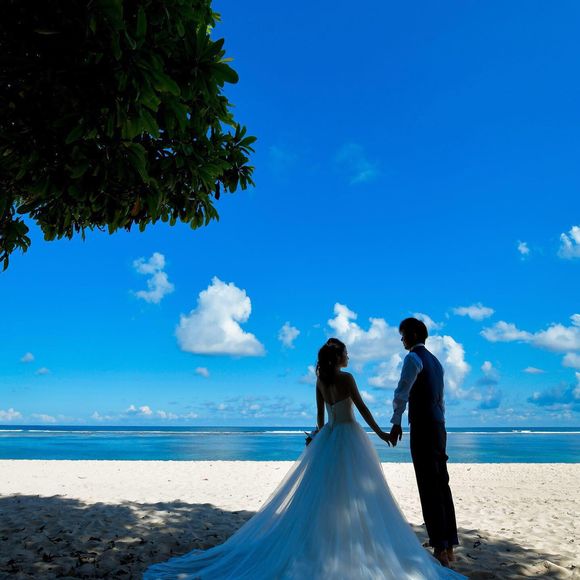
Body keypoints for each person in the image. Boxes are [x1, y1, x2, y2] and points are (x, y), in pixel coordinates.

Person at [144, 339, 465, 579]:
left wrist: (315, 439)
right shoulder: (347, 379)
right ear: (338, 357)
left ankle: (325, 542)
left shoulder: (321, 382)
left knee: (324, 497)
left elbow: (321, 421)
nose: (348, 356)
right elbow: (363, 410)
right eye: (345, 353)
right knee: (357, 496)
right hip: (351, 437)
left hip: (330, 439)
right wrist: (381, 434)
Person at [389, 318, 459, 568]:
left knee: (428, 485)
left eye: (403, 334)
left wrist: (396, 422)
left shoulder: (412, 359)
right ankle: (448, 544)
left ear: (414, 334)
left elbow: (401, 393)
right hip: (439, 426)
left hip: (423, 427)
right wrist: (440, 423)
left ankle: (440, 547)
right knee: (442, 483)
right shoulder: (437, 362)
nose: (401, 339)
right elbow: (441, 400)